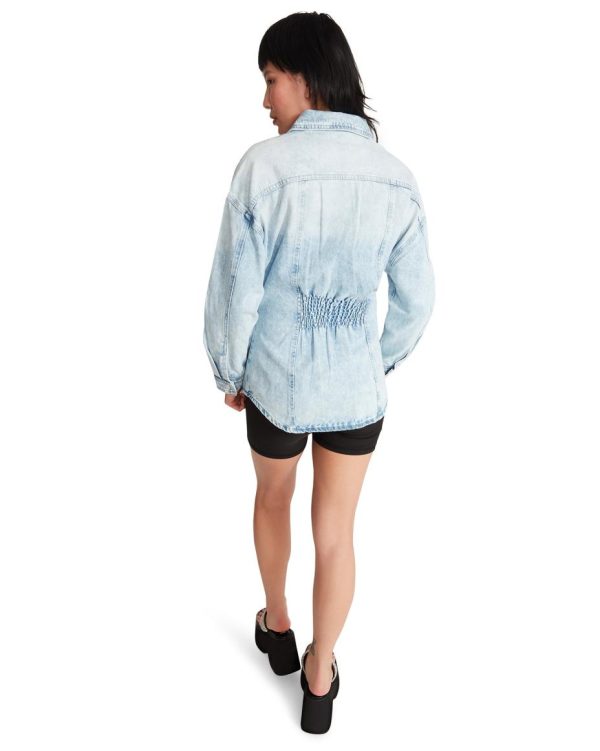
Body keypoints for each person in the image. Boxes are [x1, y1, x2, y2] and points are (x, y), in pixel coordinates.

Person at [202, 11, 435, 733]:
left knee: (273, 499)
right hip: (357, 395)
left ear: (306, 78)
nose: (265, 99)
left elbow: (234, 291)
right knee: (336, 532)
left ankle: (276, 625)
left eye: (271, 80)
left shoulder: (262, 168)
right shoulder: (396, 179)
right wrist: (374, 361)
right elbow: (418, 301)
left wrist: (230, 371)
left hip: (274, 386)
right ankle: (320, 673)